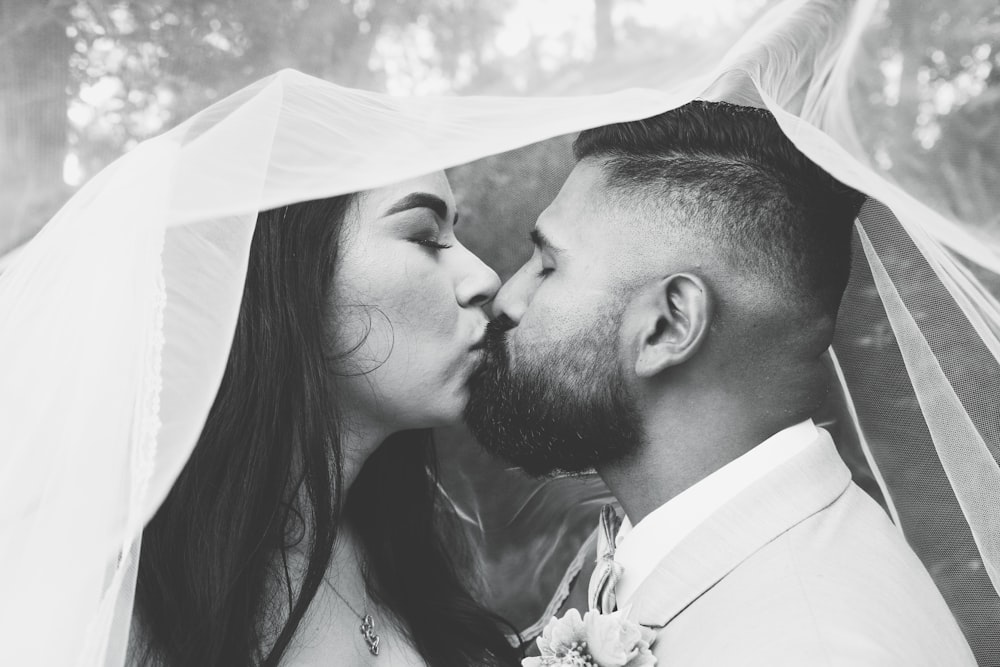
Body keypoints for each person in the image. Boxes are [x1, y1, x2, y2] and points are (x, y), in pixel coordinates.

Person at [465, 101, 979, 665]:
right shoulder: (720, 553)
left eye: (547, 265)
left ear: (669, 325)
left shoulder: (810, 647)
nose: (508, 297)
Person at [132, 173, 521, 666]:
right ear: (288, 271)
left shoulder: (413, 542)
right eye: (426, 237)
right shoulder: (132, 594)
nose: (485, 277)